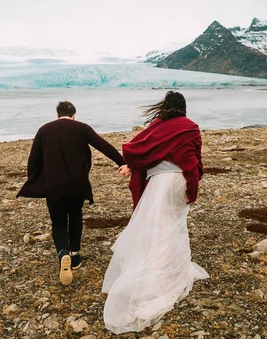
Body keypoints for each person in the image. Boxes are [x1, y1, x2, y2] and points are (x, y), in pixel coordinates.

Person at [102, 91, 209, 334]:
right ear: (183, 108)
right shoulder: (190, 127)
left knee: (156, 229)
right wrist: (192, 189)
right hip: (178, 181)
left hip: (158, 184)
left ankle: (156, 273)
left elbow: (140, 150)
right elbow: (191, 161)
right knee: (174, 226)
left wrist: (130, 166)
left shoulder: (156, 127)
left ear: (164, 108)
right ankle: (168, 273)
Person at [17, 101, 128, 286]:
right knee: (75, 215)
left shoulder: (44, 130)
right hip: (78, 184)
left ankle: (63, 253)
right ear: (74, 115)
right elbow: (103, 145)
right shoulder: (82, 128)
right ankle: (75, 255)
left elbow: (33, 159)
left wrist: (35, 181)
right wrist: (122, 162)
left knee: (58, 221)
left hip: (54, 185)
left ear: (57, 115)